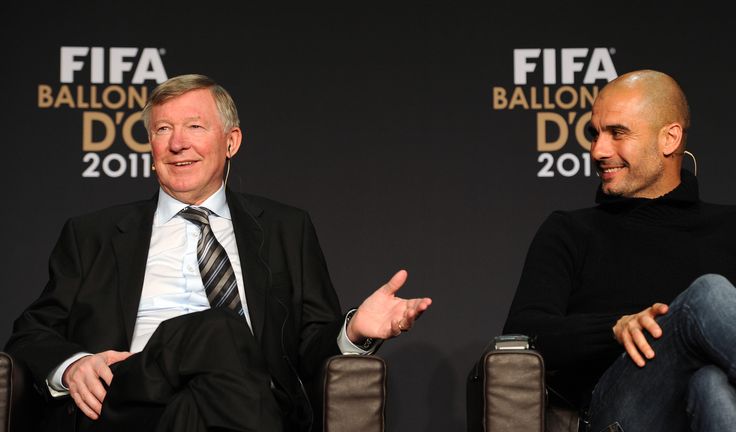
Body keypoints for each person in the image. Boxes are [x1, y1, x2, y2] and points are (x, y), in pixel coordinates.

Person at [5, 74, 432, 432]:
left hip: (236, 402)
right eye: (163, 130)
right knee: (221, 328)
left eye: (194, 126)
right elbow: (30, 334)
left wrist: (354, 330)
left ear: (231, 142)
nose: (177, 143)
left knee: (211, 371)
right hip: (125, 401)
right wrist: (73, 366)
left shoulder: (286, 228)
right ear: (150, 145)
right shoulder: (92, 234)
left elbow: (309, 350)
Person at [503, 70, 736, 431]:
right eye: (594, 134)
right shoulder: (570, 231)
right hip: (618, 416)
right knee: (708, 295)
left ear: (669, 138)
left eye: (617, 133)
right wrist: (614, 327)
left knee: (713, 386)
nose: (598, 150)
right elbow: (522, 335)